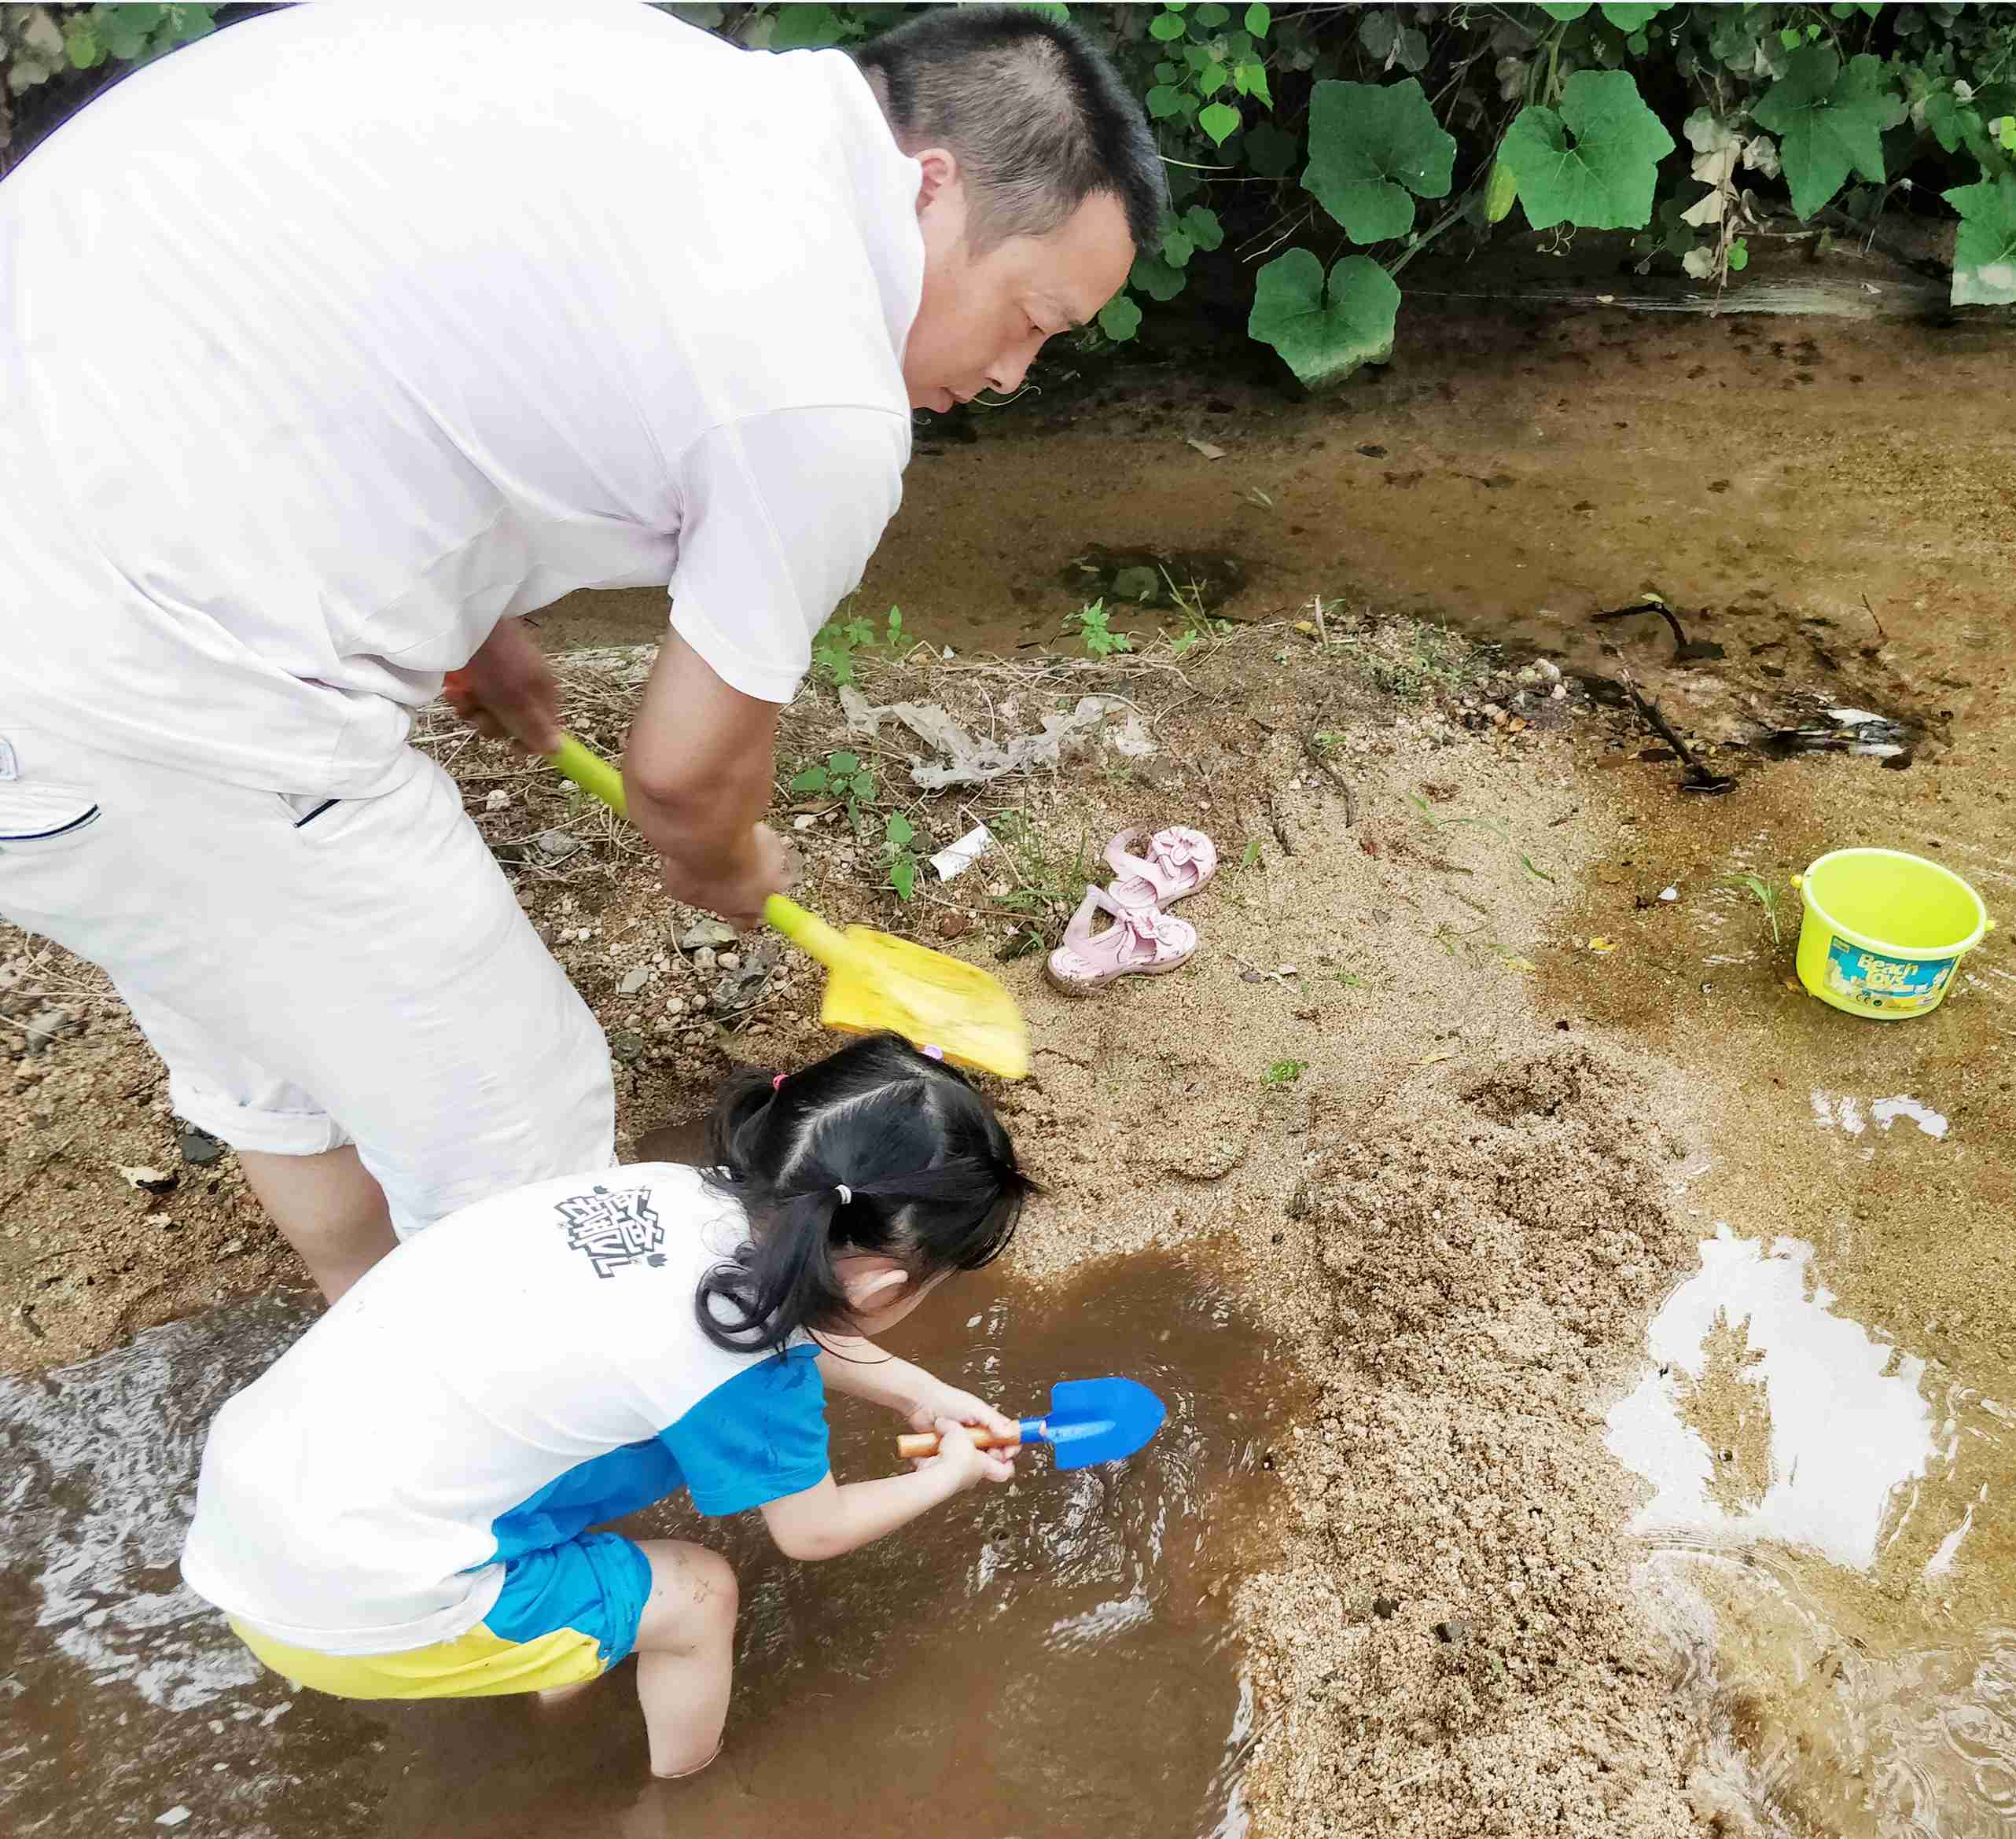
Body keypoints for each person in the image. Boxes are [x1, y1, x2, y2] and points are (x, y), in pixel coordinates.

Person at [0, 4, 1157, 1299]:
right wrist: (731, 858)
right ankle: (521, 1475)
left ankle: (369, 1359)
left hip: (62, 574)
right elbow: (681, 780)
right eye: (1029, 317)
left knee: (276, 1029)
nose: (1011, 373)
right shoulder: (820, 380)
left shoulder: (668, 101)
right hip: (146, 661)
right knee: (521, 1121)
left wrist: (469, 614)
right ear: (932, 190)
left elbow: (385, 324)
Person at [180, 1035, 1034, 1778]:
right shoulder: (749, 1370)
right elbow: (813, 1529)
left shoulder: (671, 1194)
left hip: (258, 1505)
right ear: (887, 1282)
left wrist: (917, 1388)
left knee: (578, 1500)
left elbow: (768, 1315)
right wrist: (949, 1474)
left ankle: (563, 1660)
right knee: (699, 1593)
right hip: (353, 1607)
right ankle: (686, 1783)